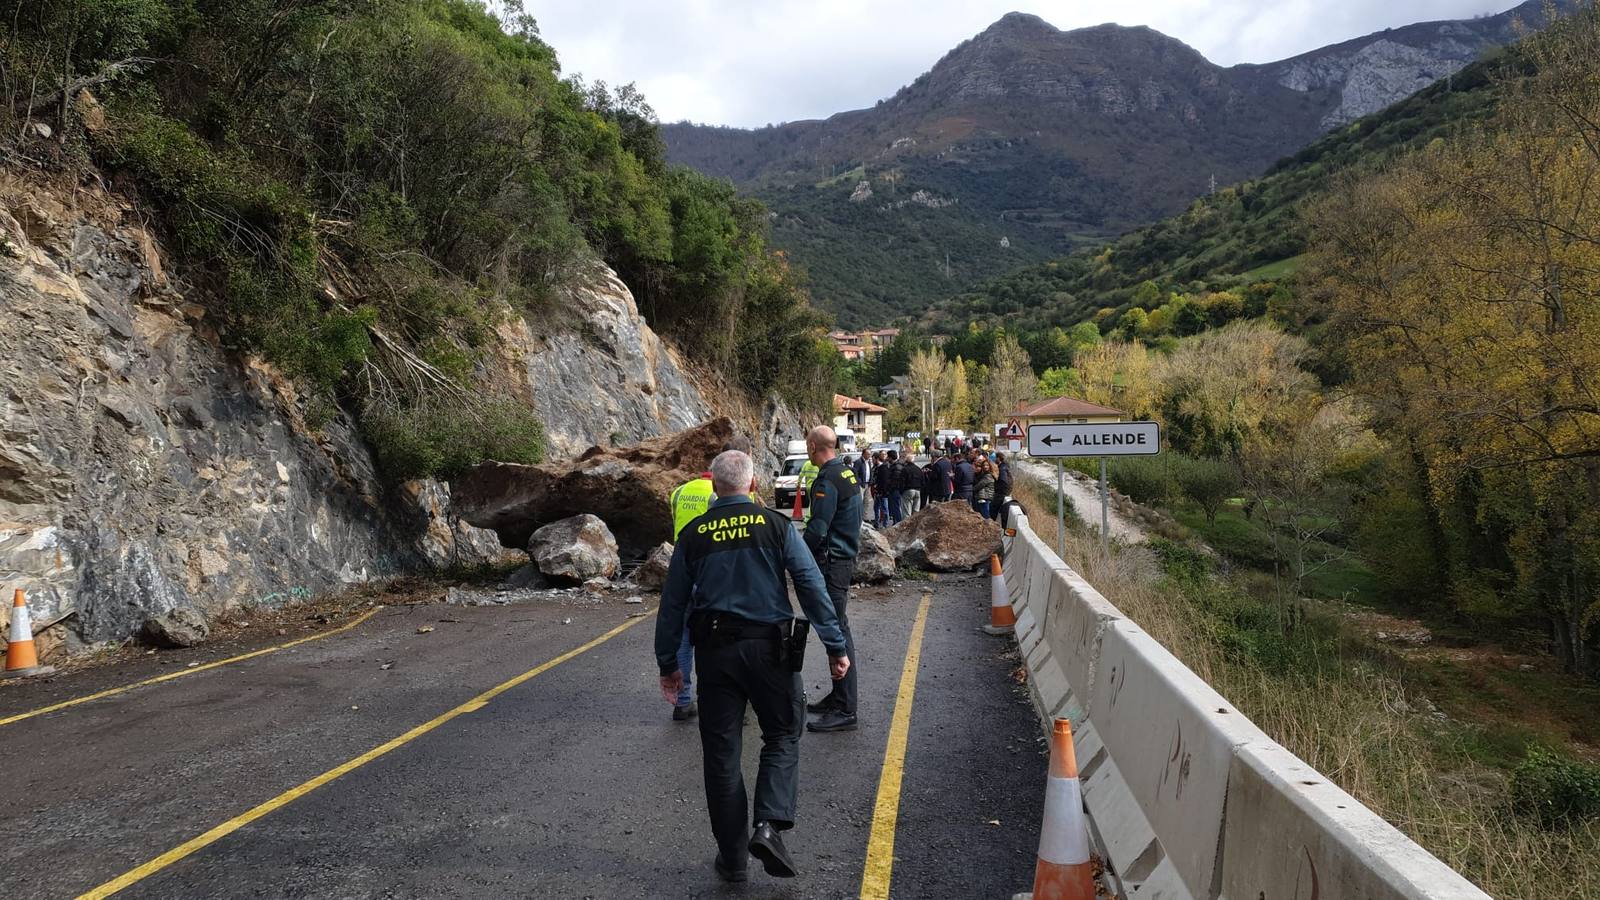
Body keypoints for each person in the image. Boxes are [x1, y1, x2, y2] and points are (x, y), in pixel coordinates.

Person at [656, 450, 851, 883]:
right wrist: (835, 645)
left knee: (721, 755)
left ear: (715, 487)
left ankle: (733, 860)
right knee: (782, 734)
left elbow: (672, 605)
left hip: (715, 654)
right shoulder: (777, 526)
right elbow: (810, 584)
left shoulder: (693, 535)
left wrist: (669, 663)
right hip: (771, 650)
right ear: (754, 484)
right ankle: (768, 824)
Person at [667, 438, 754, 721]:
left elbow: (676, 529)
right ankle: (723, 697)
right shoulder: (724, 493)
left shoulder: (680, 491)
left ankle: (682, 701)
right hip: (713, 574)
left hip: (683, 569)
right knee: (720, 637)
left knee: (682, 638)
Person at [802, 425, 863, 733]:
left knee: (836, 630)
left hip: (832, 562)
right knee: (839, 626)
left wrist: (794, 555)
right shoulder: (847, 473)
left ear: (814, 446)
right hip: (844, 558)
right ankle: (839, 697)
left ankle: (845, 709)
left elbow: (818, 528)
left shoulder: (828, 479)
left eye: (807, 445)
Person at [870, 451, 891, 528]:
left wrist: (883, 492)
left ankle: (885, 525)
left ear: (877, 459)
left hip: (882, 493)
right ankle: (876, 523)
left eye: (873, 459)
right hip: (877, 492)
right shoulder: (876, 468)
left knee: (885, 509)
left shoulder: (884, 468)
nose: (872, 461)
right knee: (876, 508)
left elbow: (885, 482)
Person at [992, 452, 1012, 523]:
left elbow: (1003, 481)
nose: (994, 460)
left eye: (995, 458)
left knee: (993, 510)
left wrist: (997, 485)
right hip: (1005, 492)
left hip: (1001, 493)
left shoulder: (1002, 468)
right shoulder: (1005, 466)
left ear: (998, 458)